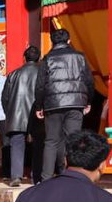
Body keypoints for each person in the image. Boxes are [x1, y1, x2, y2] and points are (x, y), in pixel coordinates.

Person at [35, 28, 93, 181]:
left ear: (53, 42)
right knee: (73, 140)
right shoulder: (79, 57)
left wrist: (39, 106)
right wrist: (88, 101)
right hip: (75, 103)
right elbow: (88, 81)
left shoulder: (47, 59)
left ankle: (46, 178)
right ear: (68, 41)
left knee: (51, 141)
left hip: (52, 104)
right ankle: (71, 176)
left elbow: (40, 85)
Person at [1, 46, 41, 187]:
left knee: (17, 145)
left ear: (24, 58)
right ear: (39, 58)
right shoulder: (42, 73)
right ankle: (36, 177)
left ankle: (16, 177)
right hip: (38, 115)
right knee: (38, 145)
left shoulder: (13, 74)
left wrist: (10, 112)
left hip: (16, 115)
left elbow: (4, 98)